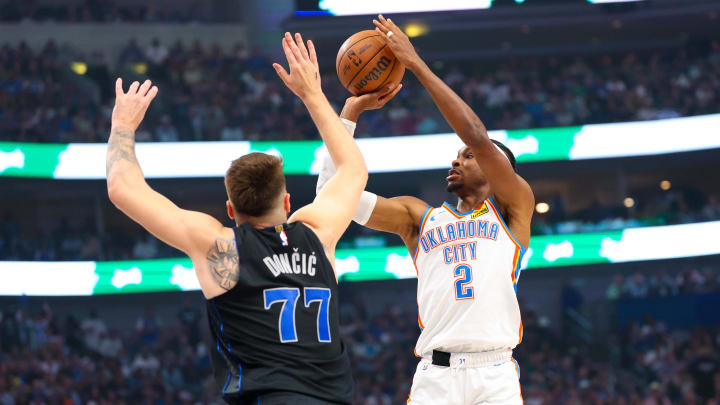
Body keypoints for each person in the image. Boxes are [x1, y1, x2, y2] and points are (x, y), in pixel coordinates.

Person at [106, 32, 382, 405]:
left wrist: (123, 124)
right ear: (287, 202)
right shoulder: (317, 233)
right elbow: (353, 169)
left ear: (231, 209)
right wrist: (312, 95)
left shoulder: (219, 245)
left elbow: (123, 188)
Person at [316, 16, 535, 405]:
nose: (457, 160)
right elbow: (332, 197)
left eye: (467, 157)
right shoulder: (419, 218)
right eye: (456, 156)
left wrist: (415, 63)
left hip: (496, 372)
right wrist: (348, 115)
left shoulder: (513, 208)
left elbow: (476, 135)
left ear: (500, 169)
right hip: (436, 375)